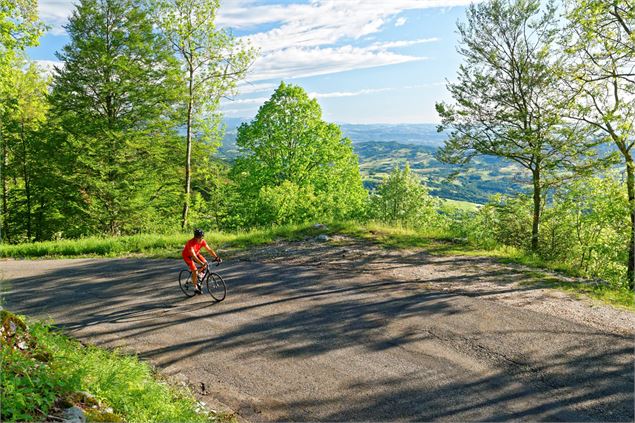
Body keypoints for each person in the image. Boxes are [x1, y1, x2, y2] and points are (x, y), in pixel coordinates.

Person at [182, 228, 221, 294]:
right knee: (194, 270)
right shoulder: (190, 243)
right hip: (187, 256)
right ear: (195, 237)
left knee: (205, 263)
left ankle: (197, 275)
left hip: (196, 254)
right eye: (199, 238)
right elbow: (193, 256)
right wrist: (201, 263)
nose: (201, 239)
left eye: (202, 237)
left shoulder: (202, 241)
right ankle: (195, 288)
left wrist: (216, 257)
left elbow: (209, 250)